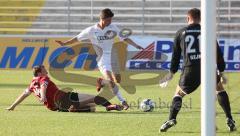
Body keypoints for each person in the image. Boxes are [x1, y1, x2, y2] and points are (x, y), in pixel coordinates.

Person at [159, 8, 236, 132]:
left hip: (190, 69)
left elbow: (176, 56)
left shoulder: (180, 33)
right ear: (201, 19)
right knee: (219, 88)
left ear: (188, 18)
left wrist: (171, 72)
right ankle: (229, 118)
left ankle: (171, 118)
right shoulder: (207, 31)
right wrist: (221, 71)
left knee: (178, 94)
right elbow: (217, 53)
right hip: (208, 67)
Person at [55, 8, 143, 110]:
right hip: (102, 59)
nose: (110, 22)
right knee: (111, 81)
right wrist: (65, 43)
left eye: (111, 20)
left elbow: (125, 38)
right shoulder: (91, 30)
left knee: (117, 80)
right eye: (108, 20)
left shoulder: (113, 27)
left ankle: (101, 82)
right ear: (102, 19)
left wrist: (136, 45)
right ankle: (123, 101)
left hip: (113, 57)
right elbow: (77, 38)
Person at [6, 65, 123, 112]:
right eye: (44, 69)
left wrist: (13, 106)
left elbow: (24, 94)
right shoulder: (44, 79)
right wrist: (42, 96)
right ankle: (108, 105)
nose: (46, 70)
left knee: (92, 109)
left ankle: (74, 108)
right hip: (64, 97)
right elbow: (43, 87)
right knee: (95, 98)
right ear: (40, 72)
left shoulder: (31, 84)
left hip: (55, 107)